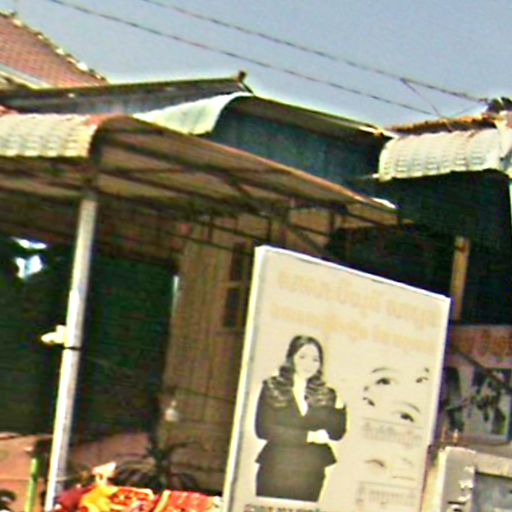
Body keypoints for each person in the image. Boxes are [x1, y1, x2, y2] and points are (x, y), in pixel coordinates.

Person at [254, 335, 347, 502]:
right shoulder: (272, 387)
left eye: (315, 359)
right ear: (291, 358)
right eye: (302, 357)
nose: (308, 364)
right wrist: (309, 436)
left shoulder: (326, 393)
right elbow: (263, 429)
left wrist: (341, 406)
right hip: (276, 468)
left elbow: (336, 434)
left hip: (311, 473)